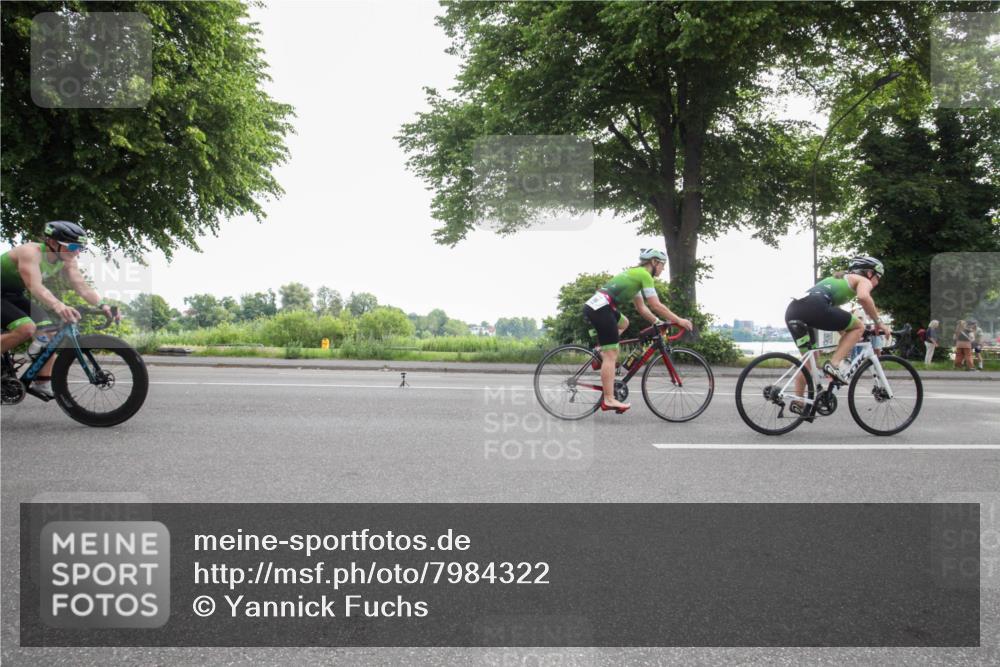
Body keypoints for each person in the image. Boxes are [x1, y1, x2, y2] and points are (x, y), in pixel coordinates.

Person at [1, 221, 119, 397]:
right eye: (72, 246)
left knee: (48, 331)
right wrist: (58, 305)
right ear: (53, 243)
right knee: (25, 328)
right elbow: (34, 286)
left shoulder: (67, 260)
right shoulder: (30, 252)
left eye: (80, 248)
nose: (77, 252)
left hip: (12, 294)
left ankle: (42, 382)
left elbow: (81, 286)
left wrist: (103, 305)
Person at [582, 248, 693, 413]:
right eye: (662, 264)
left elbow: (642, 309)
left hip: (599, 306)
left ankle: (600, 351)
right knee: (612, 353)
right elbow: (655, 305)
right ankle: (609, 399)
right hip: (601, 309)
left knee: (623, 323)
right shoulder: (645, 276)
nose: (663, 269)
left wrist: (659, 323)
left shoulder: (636, 275)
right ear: (654, 262)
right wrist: (679, 320)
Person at [784, 256, 886, 413]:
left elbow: (836, 319)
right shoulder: (861, 280)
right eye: (878, 277)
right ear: (869, 273)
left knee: (809, 362)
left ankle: (799, 402)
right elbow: (864, 298)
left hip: (794, 310)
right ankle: (833, 364)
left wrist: (848, 336)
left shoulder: (840, 280)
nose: (877, 283)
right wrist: (879, 322)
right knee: (858, 326)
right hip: (815, 307)